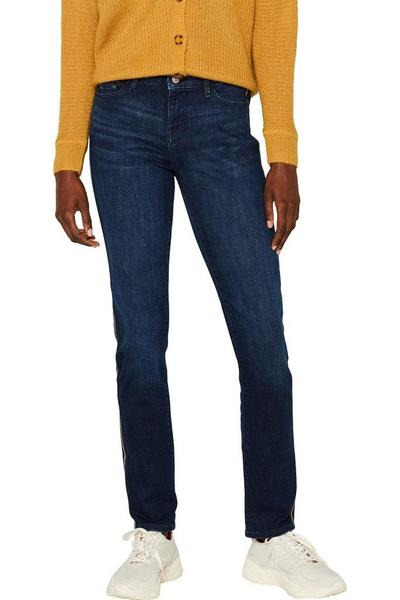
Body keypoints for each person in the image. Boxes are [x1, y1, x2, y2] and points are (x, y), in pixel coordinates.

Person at [54, 1, 346, 599]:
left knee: (262, 336)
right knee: (139, 341)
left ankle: (272, 535)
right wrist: (66, 157)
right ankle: (153, 533)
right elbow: (79, 24)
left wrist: (283, 151)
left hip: (220, 116)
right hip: (119, 118)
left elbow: (275, 21)